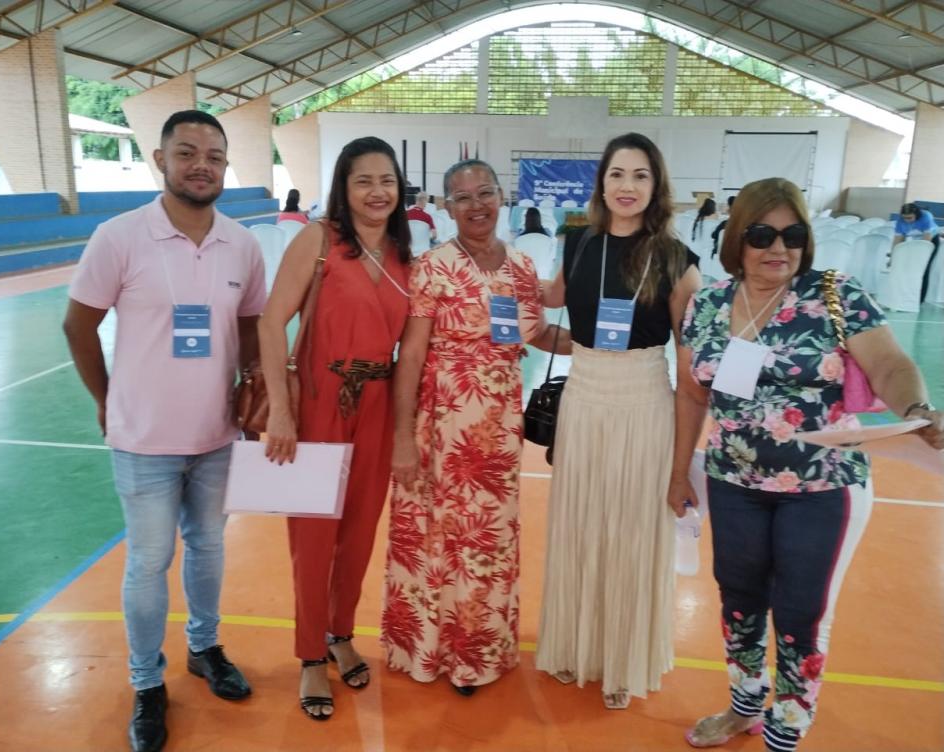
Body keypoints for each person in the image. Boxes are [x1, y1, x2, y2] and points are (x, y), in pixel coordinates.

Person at [675, 177, 944, 751]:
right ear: (736, 239)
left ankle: (789, 726)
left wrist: (917, 407)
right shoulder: (709, 304)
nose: (779, 246)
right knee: (739, 598)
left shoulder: (835, 294)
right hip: (733, 481)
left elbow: (890, 365)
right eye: (762, 233)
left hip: (823, 485)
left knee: (801, 610)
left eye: (793, 232)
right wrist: (679, 472)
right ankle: (745, 704)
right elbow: (692, 394)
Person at [63, 110, 262, 752]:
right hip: (143, 439)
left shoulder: (242, 242)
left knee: (208, 547)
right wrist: (107, 397)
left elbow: (255, 324)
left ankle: (204, 648)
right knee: (149, 561)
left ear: (226, 165)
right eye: (187, 152)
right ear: (160, 159)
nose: (201, 164)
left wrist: (252, 382)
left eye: (214, 154)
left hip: (216, 436)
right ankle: (147, 683)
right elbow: (78, 325)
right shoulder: (119, 236)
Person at [385, 159, 569, 696]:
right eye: (462, 197)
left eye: (485, 193)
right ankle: (430, 650)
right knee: (437, 537)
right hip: (440, 422)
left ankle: (477, 652)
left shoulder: (518, 267)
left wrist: (611, 350)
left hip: (497, 427)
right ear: (446, 207)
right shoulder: (432, 266)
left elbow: (536, 334)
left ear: (501, 196)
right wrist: (402, 436)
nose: (476, 205)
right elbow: (411, 356)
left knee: (485, 542)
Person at [534, 132, 701, 710]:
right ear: (601, 183)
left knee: (632, 531)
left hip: (644, 404)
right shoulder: (577, 244)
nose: (627, 186)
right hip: (583, 397)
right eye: (617, 174)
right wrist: (493, 288)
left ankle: (624, 660)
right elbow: (549, 308)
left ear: (656, 187)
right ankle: (575, 649)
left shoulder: (677, 261)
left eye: (640, 175)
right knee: (580, 523)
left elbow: (691, 370)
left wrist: (682, 465)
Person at [257, 136, 412, 721]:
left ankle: (340, 632)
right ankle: (309, 657)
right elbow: (273, 325)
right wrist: (280, 408)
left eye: (387, 181)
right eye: (363, 181)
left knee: (360, 531)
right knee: (314, 538)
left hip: (377, 404)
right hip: (321, 401)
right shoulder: (318, 242)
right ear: (343, 190)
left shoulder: (403, 255)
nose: (377, 192)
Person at [892, 201, 940, 302]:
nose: (907, 220)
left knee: (924, 269)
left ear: (916, 215)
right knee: (909, 267)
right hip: (916, 240)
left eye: (909, 218)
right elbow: (898, 240)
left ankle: (919, 299)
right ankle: (907, 294)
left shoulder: (926, 217)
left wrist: (921, 257)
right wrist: (893, 256)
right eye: (904, 217)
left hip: (931, 241)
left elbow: (926, 240)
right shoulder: (901, 221)